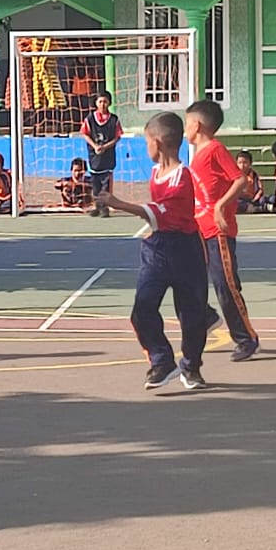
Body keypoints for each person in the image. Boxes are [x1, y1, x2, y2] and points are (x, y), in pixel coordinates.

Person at [95, 112, 211, 390]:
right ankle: (162, 360)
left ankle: (191, 367)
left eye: (147, 141)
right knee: (142, 308)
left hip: (185, 249)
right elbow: (157, 216)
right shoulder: (156, 173)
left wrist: (119, 204)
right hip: (158, 249)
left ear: (157, 143)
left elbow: (164, 211)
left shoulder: (183, 177)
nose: (145, 147)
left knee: (191, 314)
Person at [185, 100, 257, 362]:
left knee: (225, 285)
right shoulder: (197, 156)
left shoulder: (215, 149)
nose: (185, 129)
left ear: (197, 125)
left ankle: (246, 338)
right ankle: (206, 316)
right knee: (187, 277)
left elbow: (240, 179)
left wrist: (220, 206)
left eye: (186, 123)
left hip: (219, 231)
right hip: (199, 230)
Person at [80, 91, 123, 217]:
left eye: (105, 101)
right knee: (95, 185)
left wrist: (105, 147)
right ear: (96, 103)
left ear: (109, 103)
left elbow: (117, 137)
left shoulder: (114, 119)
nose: (103, 104)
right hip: (94, 157)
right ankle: (97, 206)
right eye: (100, 101)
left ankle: (105, 208)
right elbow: (84, 134)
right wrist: (95, 146)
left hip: (108, 157)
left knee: (105, 185)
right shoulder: (89, 119)